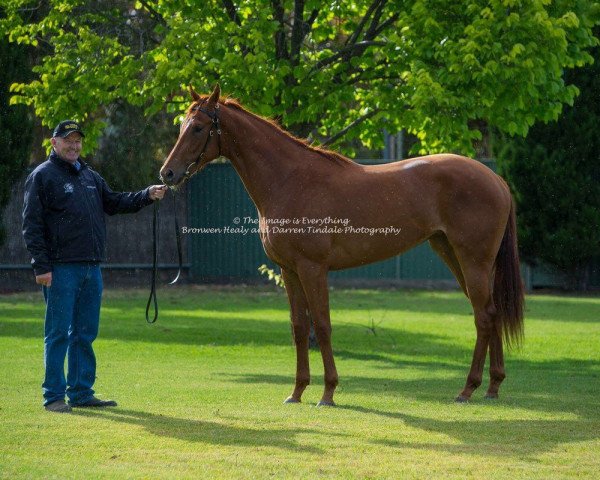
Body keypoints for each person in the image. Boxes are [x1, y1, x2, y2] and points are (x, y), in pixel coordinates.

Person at [22, 120, 167, 413]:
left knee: (85, 332)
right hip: (60, 269)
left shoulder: (90, 176)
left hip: (92, 268)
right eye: (68, 140)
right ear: (54, 143)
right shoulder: (42, 176)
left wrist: (146, 194)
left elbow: (114, 202)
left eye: (77, 141)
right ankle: (53, 396)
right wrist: (41, 267)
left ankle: (81, 392)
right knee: (59, 332)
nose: (74, 145)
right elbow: (31, 225)